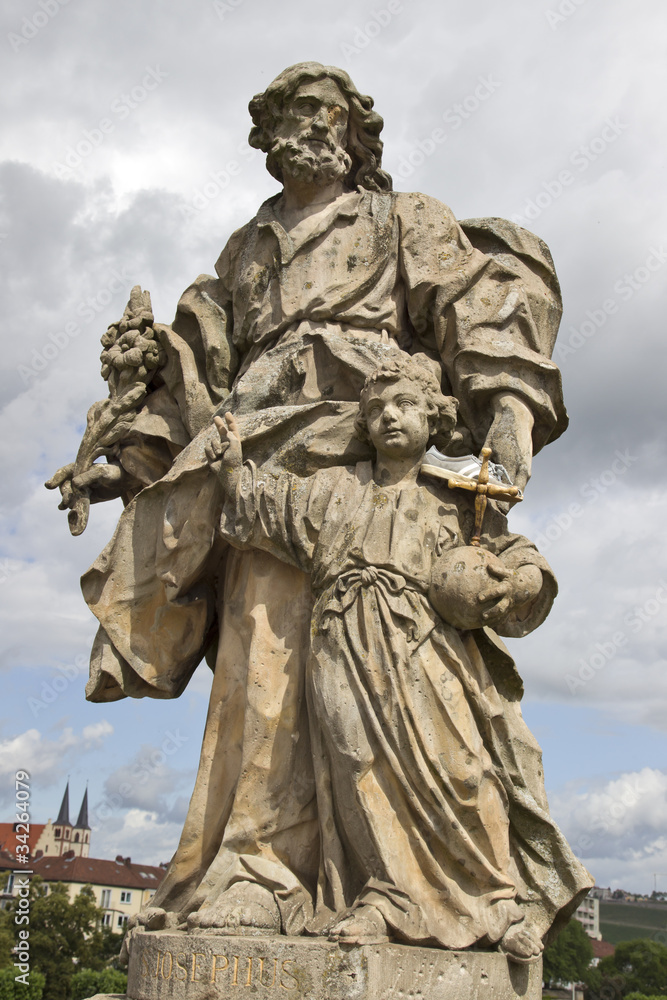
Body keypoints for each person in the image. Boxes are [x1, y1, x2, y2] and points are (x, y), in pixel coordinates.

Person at [48, 63, 584, 949]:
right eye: (289, 113)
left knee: (379, 681)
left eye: (322, 110)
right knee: (262, 668)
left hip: (358, 456)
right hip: (258, 464)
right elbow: (194, 385)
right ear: (266, 135)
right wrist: (125, 466)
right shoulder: (243, 250)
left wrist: (509, 411)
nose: (307, 125)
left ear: (352, 129)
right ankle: (256, 868)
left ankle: (394, 881)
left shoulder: (399, 218)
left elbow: (481, 305)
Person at [202, 353, 589, 961]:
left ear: (433, 418)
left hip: (426, 651)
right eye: (376, 409)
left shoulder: (458, 498)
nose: (389, 418)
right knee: (359, 769)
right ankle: (386, 897)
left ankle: (498, 903)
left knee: (466, 769)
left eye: (405, 405)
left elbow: (517, 558)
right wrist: (232, 475)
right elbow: (269, 511)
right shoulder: (333, 489)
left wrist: (515, 583)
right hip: (342, 648)